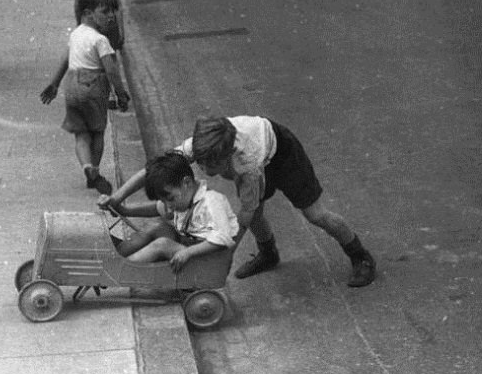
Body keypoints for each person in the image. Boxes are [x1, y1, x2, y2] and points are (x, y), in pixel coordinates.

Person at [100, 116, 377, 288]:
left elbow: (245, 214)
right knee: (256, 216)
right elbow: (154, 169)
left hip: (283, 154)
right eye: (201, 161)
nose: (205, 170)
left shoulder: (247, 167)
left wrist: (221, 258)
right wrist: (118, 197)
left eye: (212, 165)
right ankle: (269, 253)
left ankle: (359, 255)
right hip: (257, 145)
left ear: (229, 153)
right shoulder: (200, 144)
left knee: (314, 214)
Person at [40, 0, 130, 195]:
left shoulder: (76, 34)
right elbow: (111, 71)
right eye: (105, 11)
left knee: (81, 134)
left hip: (71, 86)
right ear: (87, 14)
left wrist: (54, 84)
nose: (111, 17)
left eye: (112, 12)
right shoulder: (101, 40)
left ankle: (86, 167)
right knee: (97, 132)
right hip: (93, 87)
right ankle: (96, 171)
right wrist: (121, 94)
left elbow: (65, 60)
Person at [110, 152, 239, 271]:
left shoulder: (212, 202)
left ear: (186, 183)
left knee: (162, 244)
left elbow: (223, 238)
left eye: (170, 199)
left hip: (207, 262)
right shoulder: (185, 197)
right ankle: (111, 257)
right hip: (188, 247)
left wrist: (189, 252)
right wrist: (125, 211)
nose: (168, 206)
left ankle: (117, 271)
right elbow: (156, 208)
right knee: (157, 226)